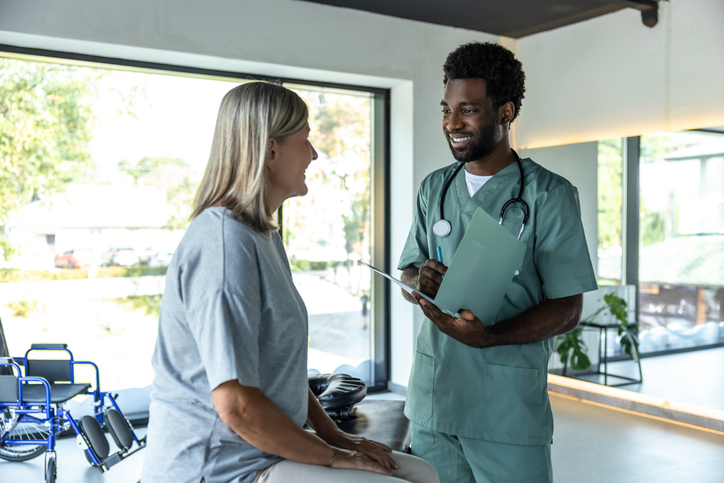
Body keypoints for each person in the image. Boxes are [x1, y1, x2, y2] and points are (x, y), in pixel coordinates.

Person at [141, 82, 439, 483]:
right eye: (305, 140)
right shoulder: (224, 244)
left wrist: (335, 435)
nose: (313, 154)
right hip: (217, 469)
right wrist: (332, 457)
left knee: (422, 473)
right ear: (270, 150)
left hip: (261, 451)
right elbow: (236, 406)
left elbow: (281, 368)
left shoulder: (262, 236)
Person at [398, 42, 598, 482]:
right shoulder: (435, 187)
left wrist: (489, 337)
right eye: (446, 109)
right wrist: (419, 281)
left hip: (505, 408)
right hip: (434, 400)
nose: (452, 123)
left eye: (468, 110)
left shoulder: (548, 195)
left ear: (505, 112)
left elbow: (568, 309)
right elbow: (408, 272)